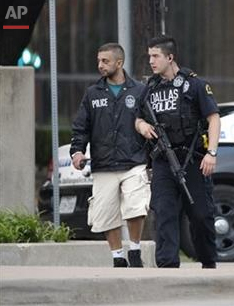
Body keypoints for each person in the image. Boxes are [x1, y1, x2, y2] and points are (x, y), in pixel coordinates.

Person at [135, 35, 220, 268]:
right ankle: (167, 267)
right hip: (163, 160)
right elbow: (138, 118)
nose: (151, 61)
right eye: (149, 55)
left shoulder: (195, 85)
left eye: (156, 56)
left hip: (193, 159)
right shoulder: (150, 88)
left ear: (170, 57)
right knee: (164, 214)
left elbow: (213, 118)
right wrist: (142, 126)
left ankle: (208, 262)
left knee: (201, 215)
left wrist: (211, 153)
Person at [70, 43, 150, 268]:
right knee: (105, 213)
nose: (100, 65)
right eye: (99, 61)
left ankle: (134, 251)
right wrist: (77, 151)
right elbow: (81, 127)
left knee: (136, 206)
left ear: (119, 63)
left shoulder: (140, 91)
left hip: (133, 161)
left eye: (105, 61)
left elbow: (151, 123)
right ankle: (117, 256)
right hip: (103, 164)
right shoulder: (92, 93)